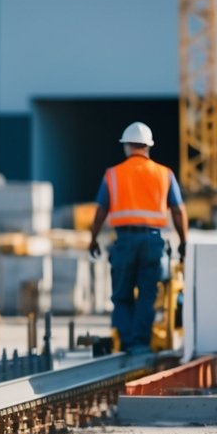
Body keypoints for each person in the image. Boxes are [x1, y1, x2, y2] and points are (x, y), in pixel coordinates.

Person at [88, 122, 188, 355]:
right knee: (147, 295)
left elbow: (101, 211)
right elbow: (178, 210)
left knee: (122, 295)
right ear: (148, 147)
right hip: (153, 242)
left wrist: (92, 239)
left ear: (127, 147)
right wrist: (184, 242)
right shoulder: (165, 174)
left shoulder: (113, 175)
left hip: (124, 241)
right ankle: (140, 344)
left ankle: (124, 343)